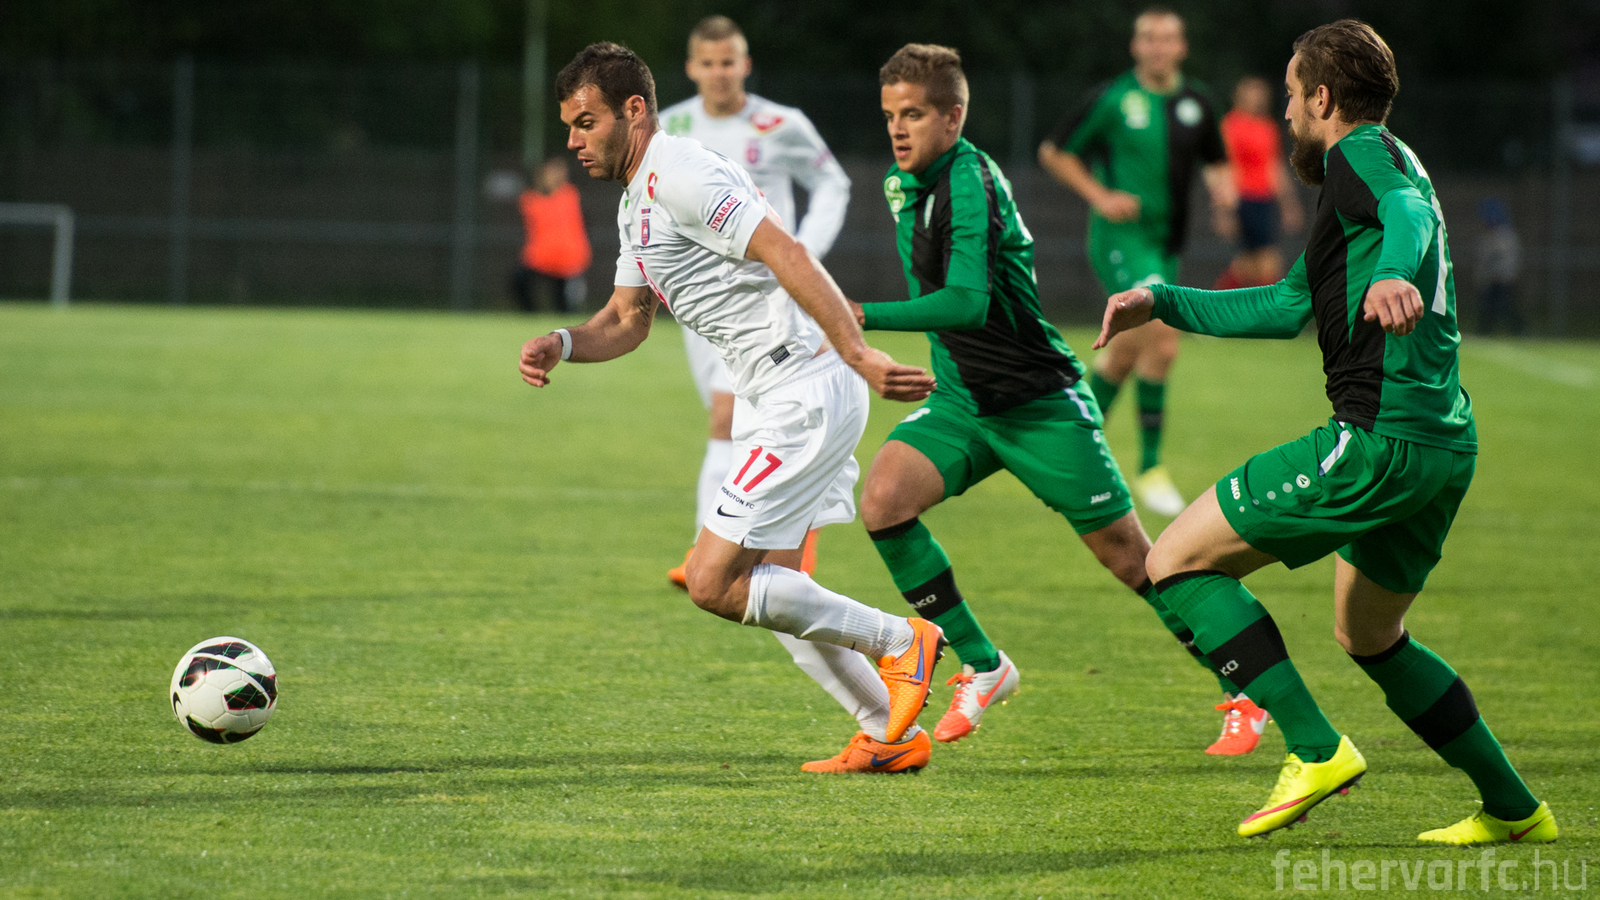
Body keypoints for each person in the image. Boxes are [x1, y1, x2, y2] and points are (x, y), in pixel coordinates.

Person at [1095, 20, 1558, 843]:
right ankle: (1515, 809)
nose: (1283, 114)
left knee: (1174, 562)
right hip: (1441, 443)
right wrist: (1163, 300)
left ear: (1322, 98)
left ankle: (1315, 748)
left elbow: (1407, 215)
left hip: (1380, 440)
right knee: (1370, 634)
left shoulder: (1361, 155)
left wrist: (1392, 273)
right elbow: (1283, 306)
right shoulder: (1379, 171)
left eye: (1289, 96)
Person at [522, 42, 945, 774]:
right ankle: (889, 732)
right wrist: (563, 342)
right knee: (772, 591)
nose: (574, 142)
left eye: (585, 123)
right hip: (772, 393)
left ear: (633, 111)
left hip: (802, 386)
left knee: (713, 581)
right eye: (569, 127)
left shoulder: (682, 172)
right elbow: (625, 320)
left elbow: (786, 251)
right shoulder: (636, 200)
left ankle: (901, 641)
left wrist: (859, 353)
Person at [854, 43, 1259, 754]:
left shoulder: (972, 183)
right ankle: (984, 665)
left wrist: (856, 315)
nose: (897, 129)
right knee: (885, 500)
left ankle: (1247, 687)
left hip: (1039, 403)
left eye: (912, 114)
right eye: (890, 115)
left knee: (1136, 561)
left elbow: (967, 302)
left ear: (953, 117)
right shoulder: (902, 182)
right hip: (964, 402)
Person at [660, 16, 854, 589]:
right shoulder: (671, 128)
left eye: (729, 62)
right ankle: (766, 541)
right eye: (708, 63)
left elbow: (832, 183)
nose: (719, 73)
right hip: (705, 299)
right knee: (737, 419)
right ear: (692, 68)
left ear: (745, 65)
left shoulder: (780, 124)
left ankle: (706, 554)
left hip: (771, 296)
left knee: (732, 415)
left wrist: (803, 253)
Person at [1038, 6, 1236, 518]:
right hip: (1120, 239)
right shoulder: (1113, 99)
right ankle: (1150, 467)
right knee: (1163, 339)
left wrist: (1224, 196)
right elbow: (1054, 152)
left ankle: (1067, 449)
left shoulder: (1197, 101)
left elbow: (1217, 161)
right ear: (1135, 46)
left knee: (1126, 353)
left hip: (1165, 245)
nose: (1158, 47)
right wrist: (1100, 196)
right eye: (1149, 38)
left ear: (1181, 47)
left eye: (1167, 38)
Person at [1215, 76, 1304, 289]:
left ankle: (1216, 303)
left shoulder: (1268, 127)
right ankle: (1269, 308)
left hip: (1264, 199)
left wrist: (1289, 205)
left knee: (1251, 266)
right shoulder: (1231, 124)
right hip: (1242, 198)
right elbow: (1223, 169)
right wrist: (1223, 210)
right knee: (1267, 263)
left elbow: (1275, 167)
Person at [513, 157, 592, 313]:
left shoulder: (569, 195)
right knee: (519, 280)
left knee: (563, 304)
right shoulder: (531, 200)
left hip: (567, 260)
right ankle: (530, 314)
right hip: (541, 258)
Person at [1474, 198, 1524, 335]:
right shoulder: (1488, 237)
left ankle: (1520, 330)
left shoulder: (1505, 236)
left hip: (1502, 279)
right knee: (1489, 307)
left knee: (1503, 307)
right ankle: (1485, 331)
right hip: (1491, 279)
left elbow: (1507, 260)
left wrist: (1505, 275)